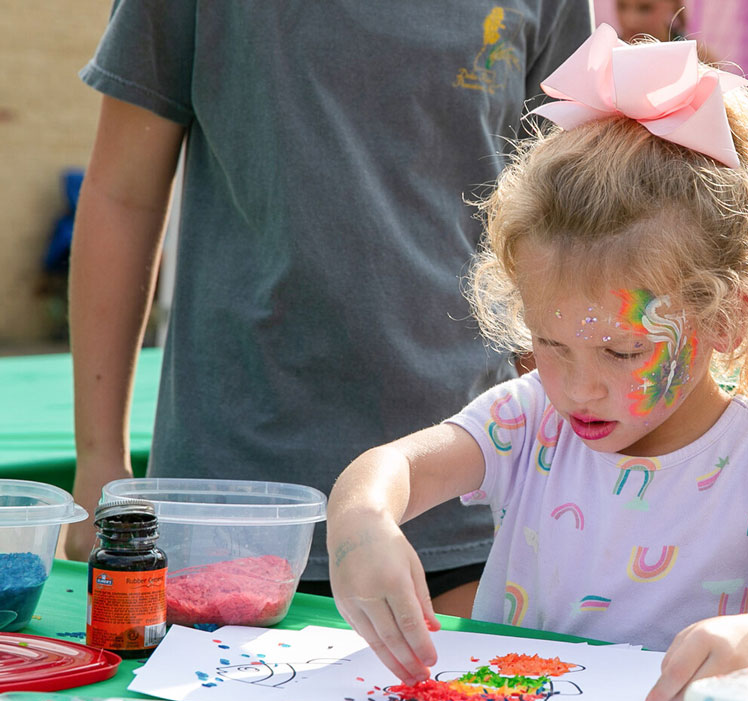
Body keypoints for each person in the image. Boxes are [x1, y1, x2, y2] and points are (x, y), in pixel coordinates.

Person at [326, 25, 748, 701]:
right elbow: (389, 469)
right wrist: (362, 522)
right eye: (550, 344)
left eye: (623, 351)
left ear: (725, 316)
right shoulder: (527, 419)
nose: (578, 388)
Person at [65, 1, 593, 618]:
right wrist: (99, 455)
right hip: (225, 507)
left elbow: (565, 228)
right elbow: (121, 194)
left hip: (465, 494)